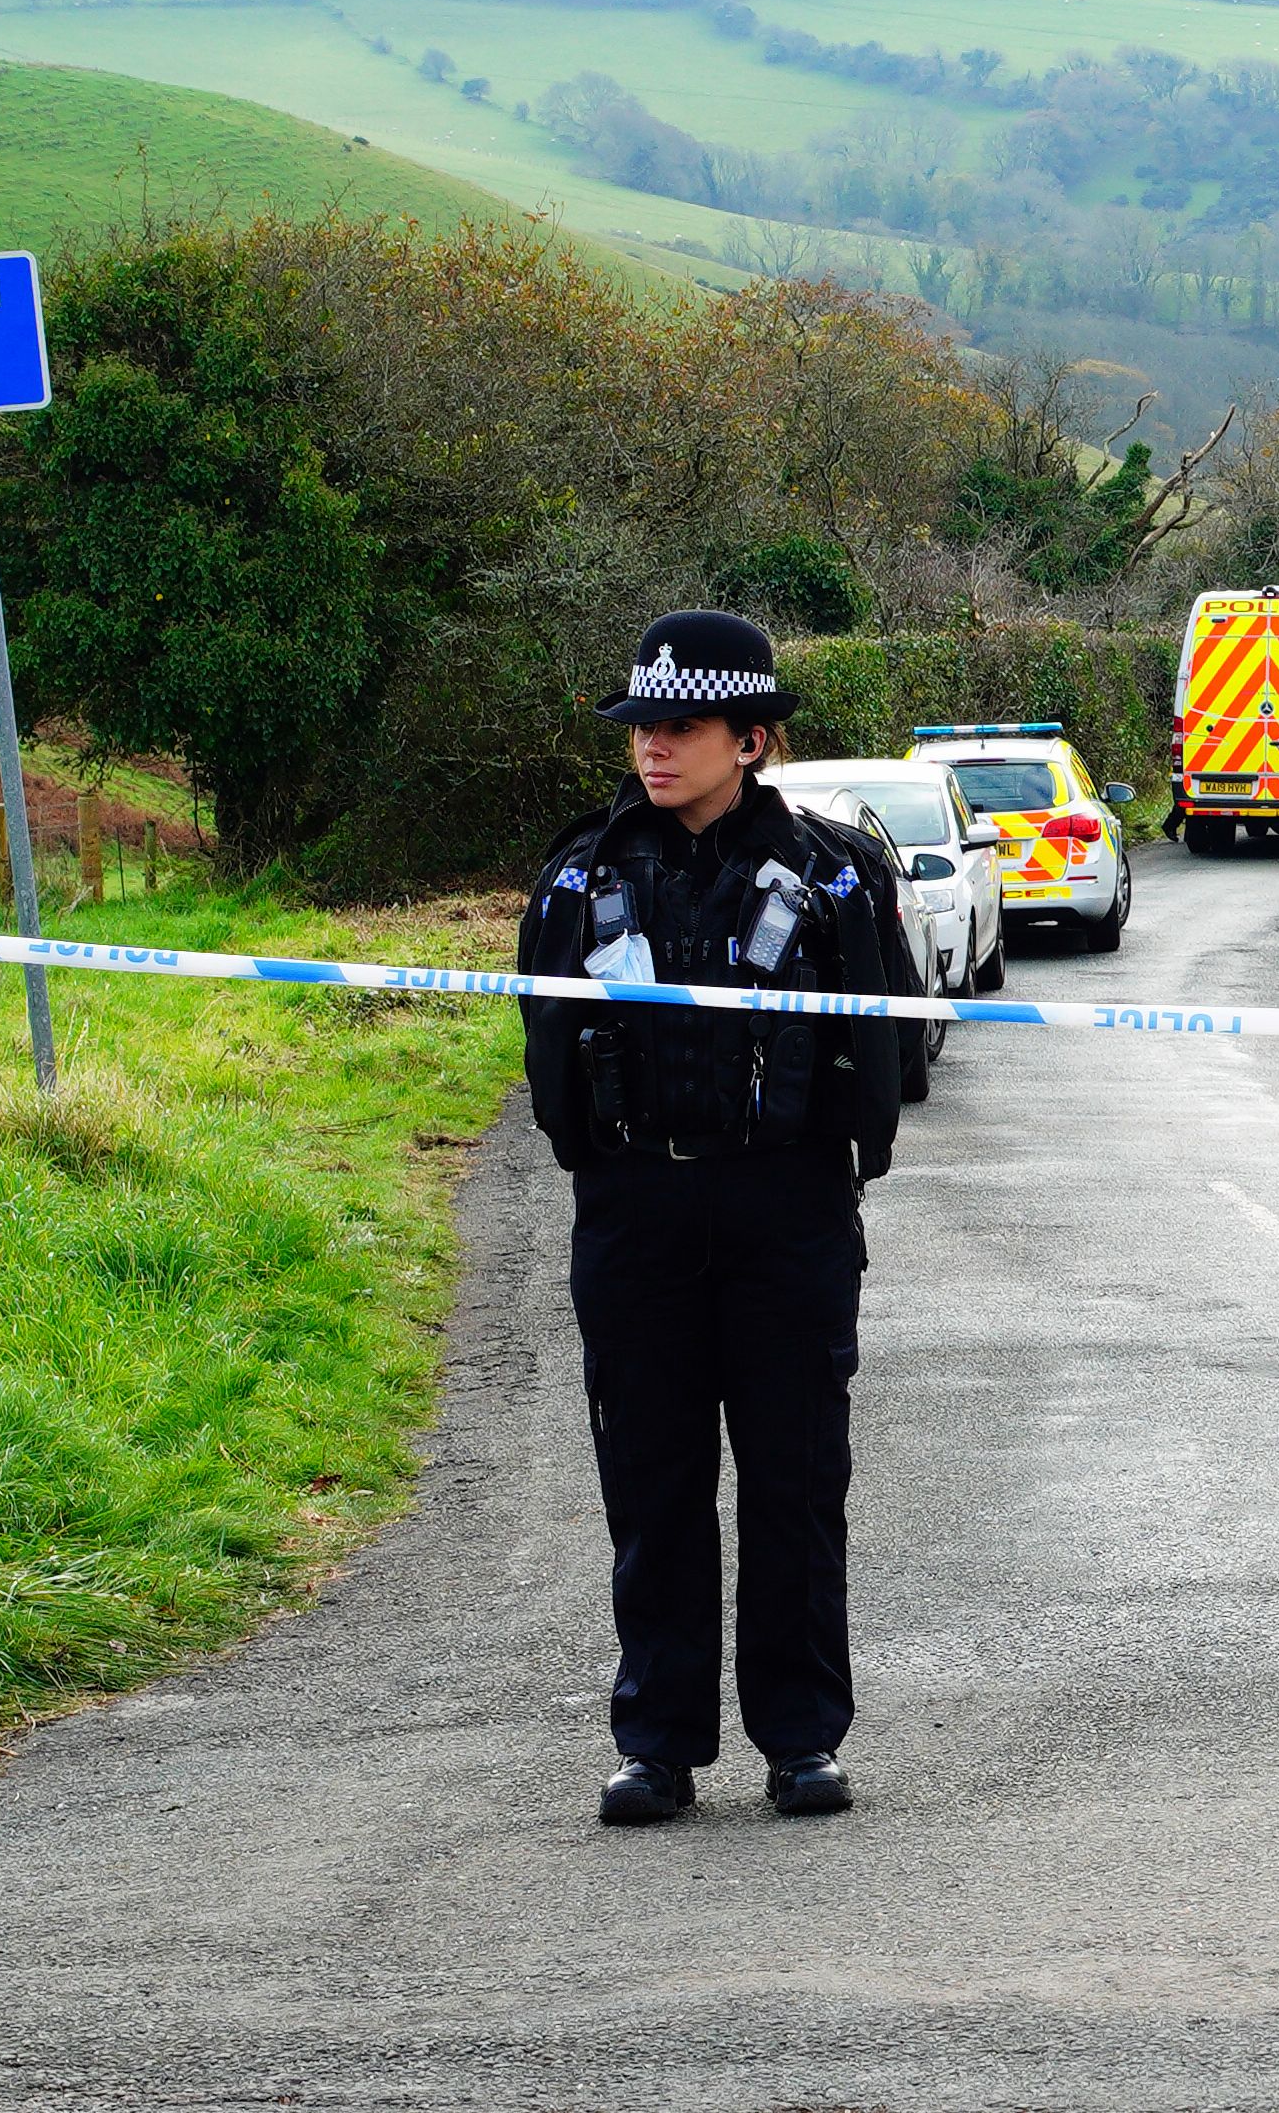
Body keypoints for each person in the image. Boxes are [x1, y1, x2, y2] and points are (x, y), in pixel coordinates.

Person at [515, 608, 927, 1825]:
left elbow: (885, 1042)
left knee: (796, 1480)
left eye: (681, 726)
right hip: (634, 1208)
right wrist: (602, 1168)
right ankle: (658, 1743)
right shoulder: (583, 872)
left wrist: (839, 1165)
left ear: (751, 737)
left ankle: (801, 1740)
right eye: (642, 724)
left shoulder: (837, 872)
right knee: (650, 1481)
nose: (653, 748)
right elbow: (543, 1048)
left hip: (784, 1206)